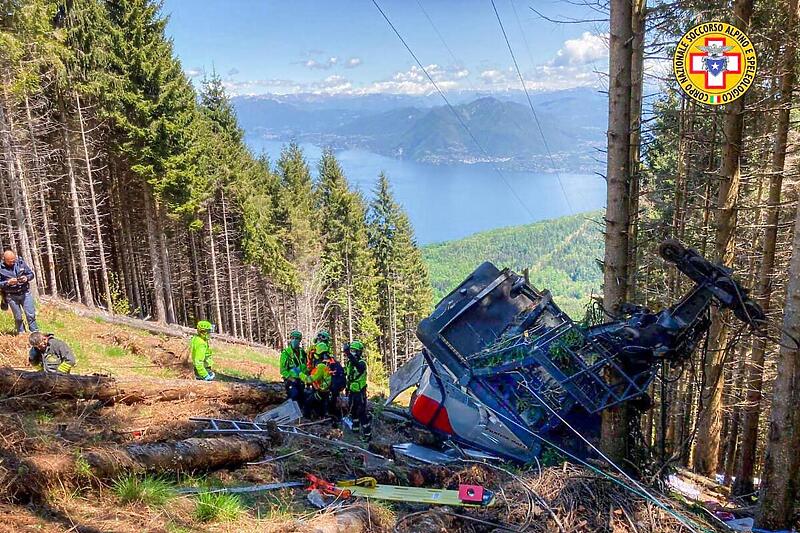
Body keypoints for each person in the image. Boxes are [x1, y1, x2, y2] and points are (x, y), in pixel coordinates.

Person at [306, 340, 345, 423]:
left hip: (323, 391)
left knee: (309, 402)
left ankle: (313, 419)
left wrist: (301, 375)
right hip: (333, 391)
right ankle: (330, 419)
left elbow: (312, 378)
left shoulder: (321, 365)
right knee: (329, 407)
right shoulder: (333, 362)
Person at [0, 250, 37, 335]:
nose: (12, 262)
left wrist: (26, 278)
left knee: (30, 315)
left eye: (13, 260)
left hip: (25, 293)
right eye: (10, 261)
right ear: (4, 260)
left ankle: (34, 333)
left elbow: (31, 274)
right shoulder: (0, 268)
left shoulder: (20, 263)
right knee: (18, 317)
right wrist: (8, 282)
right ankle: (21, 334)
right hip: (11, 296)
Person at [344, 340, 371, 441]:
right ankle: (355, 431)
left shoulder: (361, 363)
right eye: (351, 350)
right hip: (352, 391)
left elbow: (359, 368)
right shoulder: (349, 363)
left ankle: (367, 435)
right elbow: (348, 376)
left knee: (361, 413)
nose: (353, 353)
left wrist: (348, 354)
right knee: (353, 412)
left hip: (360, 393)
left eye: (354, 351)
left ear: (359, 352)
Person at [280, 330, 308, 408]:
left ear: (300, 340)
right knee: (293, 397)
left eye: (297, 338)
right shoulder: (286, 353)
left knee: (302, 399)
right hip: (292, 381)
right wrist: (290, 378)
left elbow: (305, 365)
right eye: (293, 338)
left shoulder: (302, 352)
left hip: (301, 380)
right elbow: (283, 370)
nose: (295, 340)